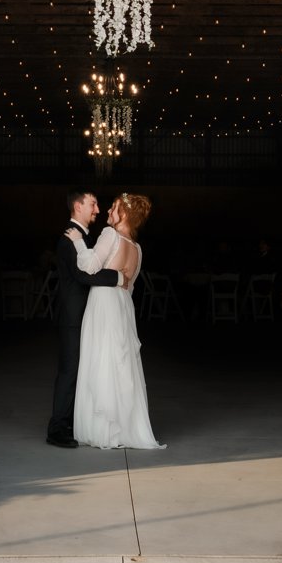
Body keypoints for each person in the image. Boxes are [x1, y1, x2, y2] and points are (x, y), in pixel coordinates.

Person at [64, 192, 164, 450]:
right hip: (123, 307)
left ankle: (103, 430)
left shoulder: (110, 235)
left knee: (100, 360)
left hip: (103, 304)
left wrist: (77, 243)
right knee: (120, 364)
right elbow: (129, 287)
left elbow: (89, 266)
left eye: (114, 207)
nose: (108, 210)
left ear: (125, 215)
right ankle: (124, 428)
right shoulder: (138, 250)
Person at [47, 190, 123, 448]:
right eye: (93, 204)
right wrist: (118, 278)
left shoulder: (82, 236)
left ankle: (69, 422)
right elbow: (84, 275)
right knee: (69, 371)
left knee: (78, 370)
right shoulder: (70, 237)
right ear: (78, 206)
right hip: (72, 315)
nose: (98, 210)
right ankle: (56, 429)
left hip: (83, 314)